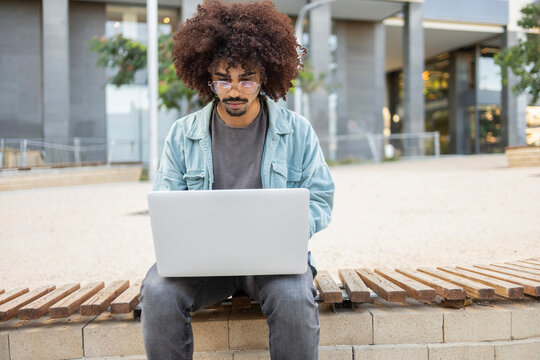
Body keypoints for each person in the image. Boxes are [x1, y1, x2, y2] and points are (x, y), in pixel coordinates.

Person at [140, 1, 335, 359]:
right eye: (222, 78)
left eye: (246, 78)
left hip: (274, 261)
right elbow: (166, 202)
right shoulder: (182, 135)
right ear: (206, 76)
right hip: (203, 264)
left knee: (294, 296)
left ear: (266, 76)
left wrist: (290, 228)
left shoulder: (298, 131)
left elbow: (321, 199)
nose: (234, 90)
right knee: (157, 291)